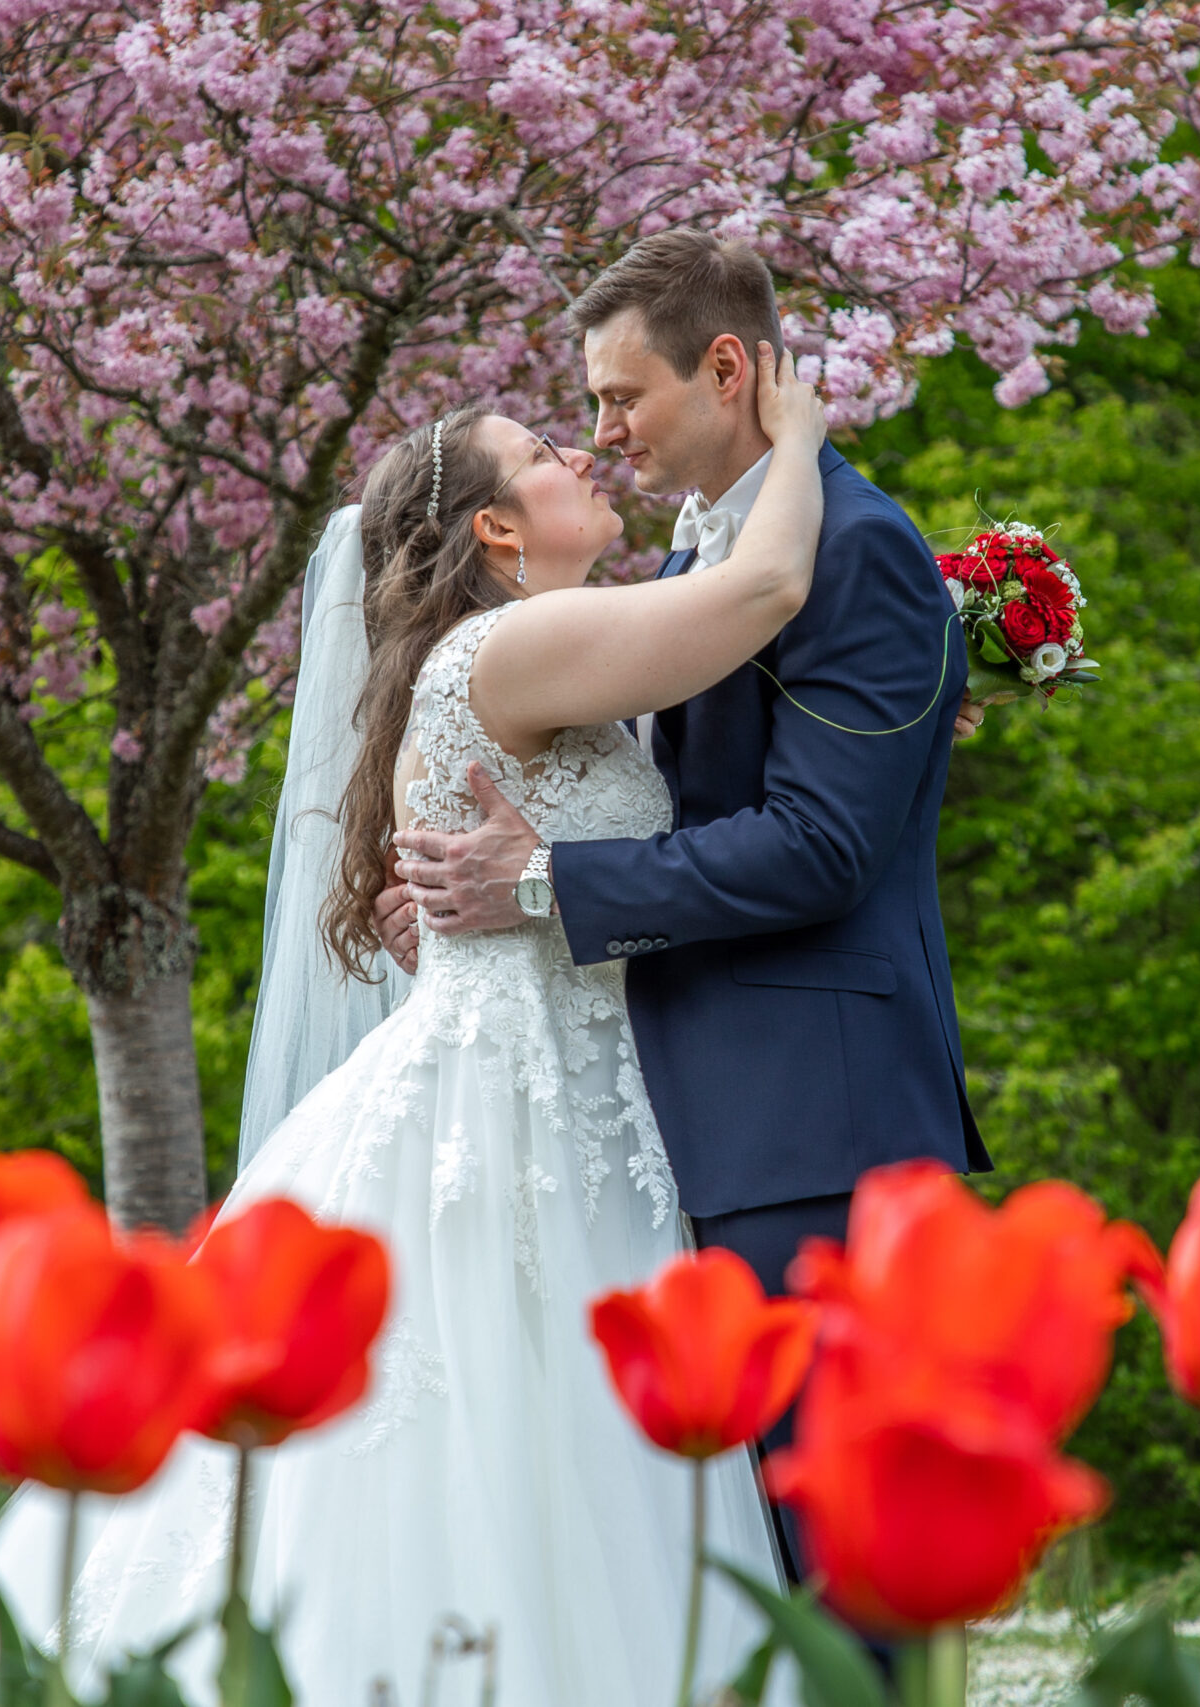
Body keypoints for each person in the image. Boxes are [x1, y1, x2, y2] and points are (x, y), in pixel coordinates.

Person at [0, 344, 831, 1707]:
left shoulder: (518, 648)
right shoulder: (512, 641)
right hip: (513, 1119)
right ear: (498, 528)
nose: (581, 453)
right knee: (507, 1449)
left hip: (553, 1091)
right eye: (549, 457)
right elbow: (767, 589)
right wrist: (794, 442)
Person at [383, 229, 992, 1584]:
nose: (599, 435)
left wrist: (541, 880)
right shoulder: (683, 581)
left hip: (811, 1131)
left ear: (728, 370)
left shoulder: (863, 555)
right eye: (581, 417)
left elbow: (821, 848)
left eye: (619, 397)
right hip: (681, 1126)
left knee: (840, 1567)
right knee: (735, 1567)